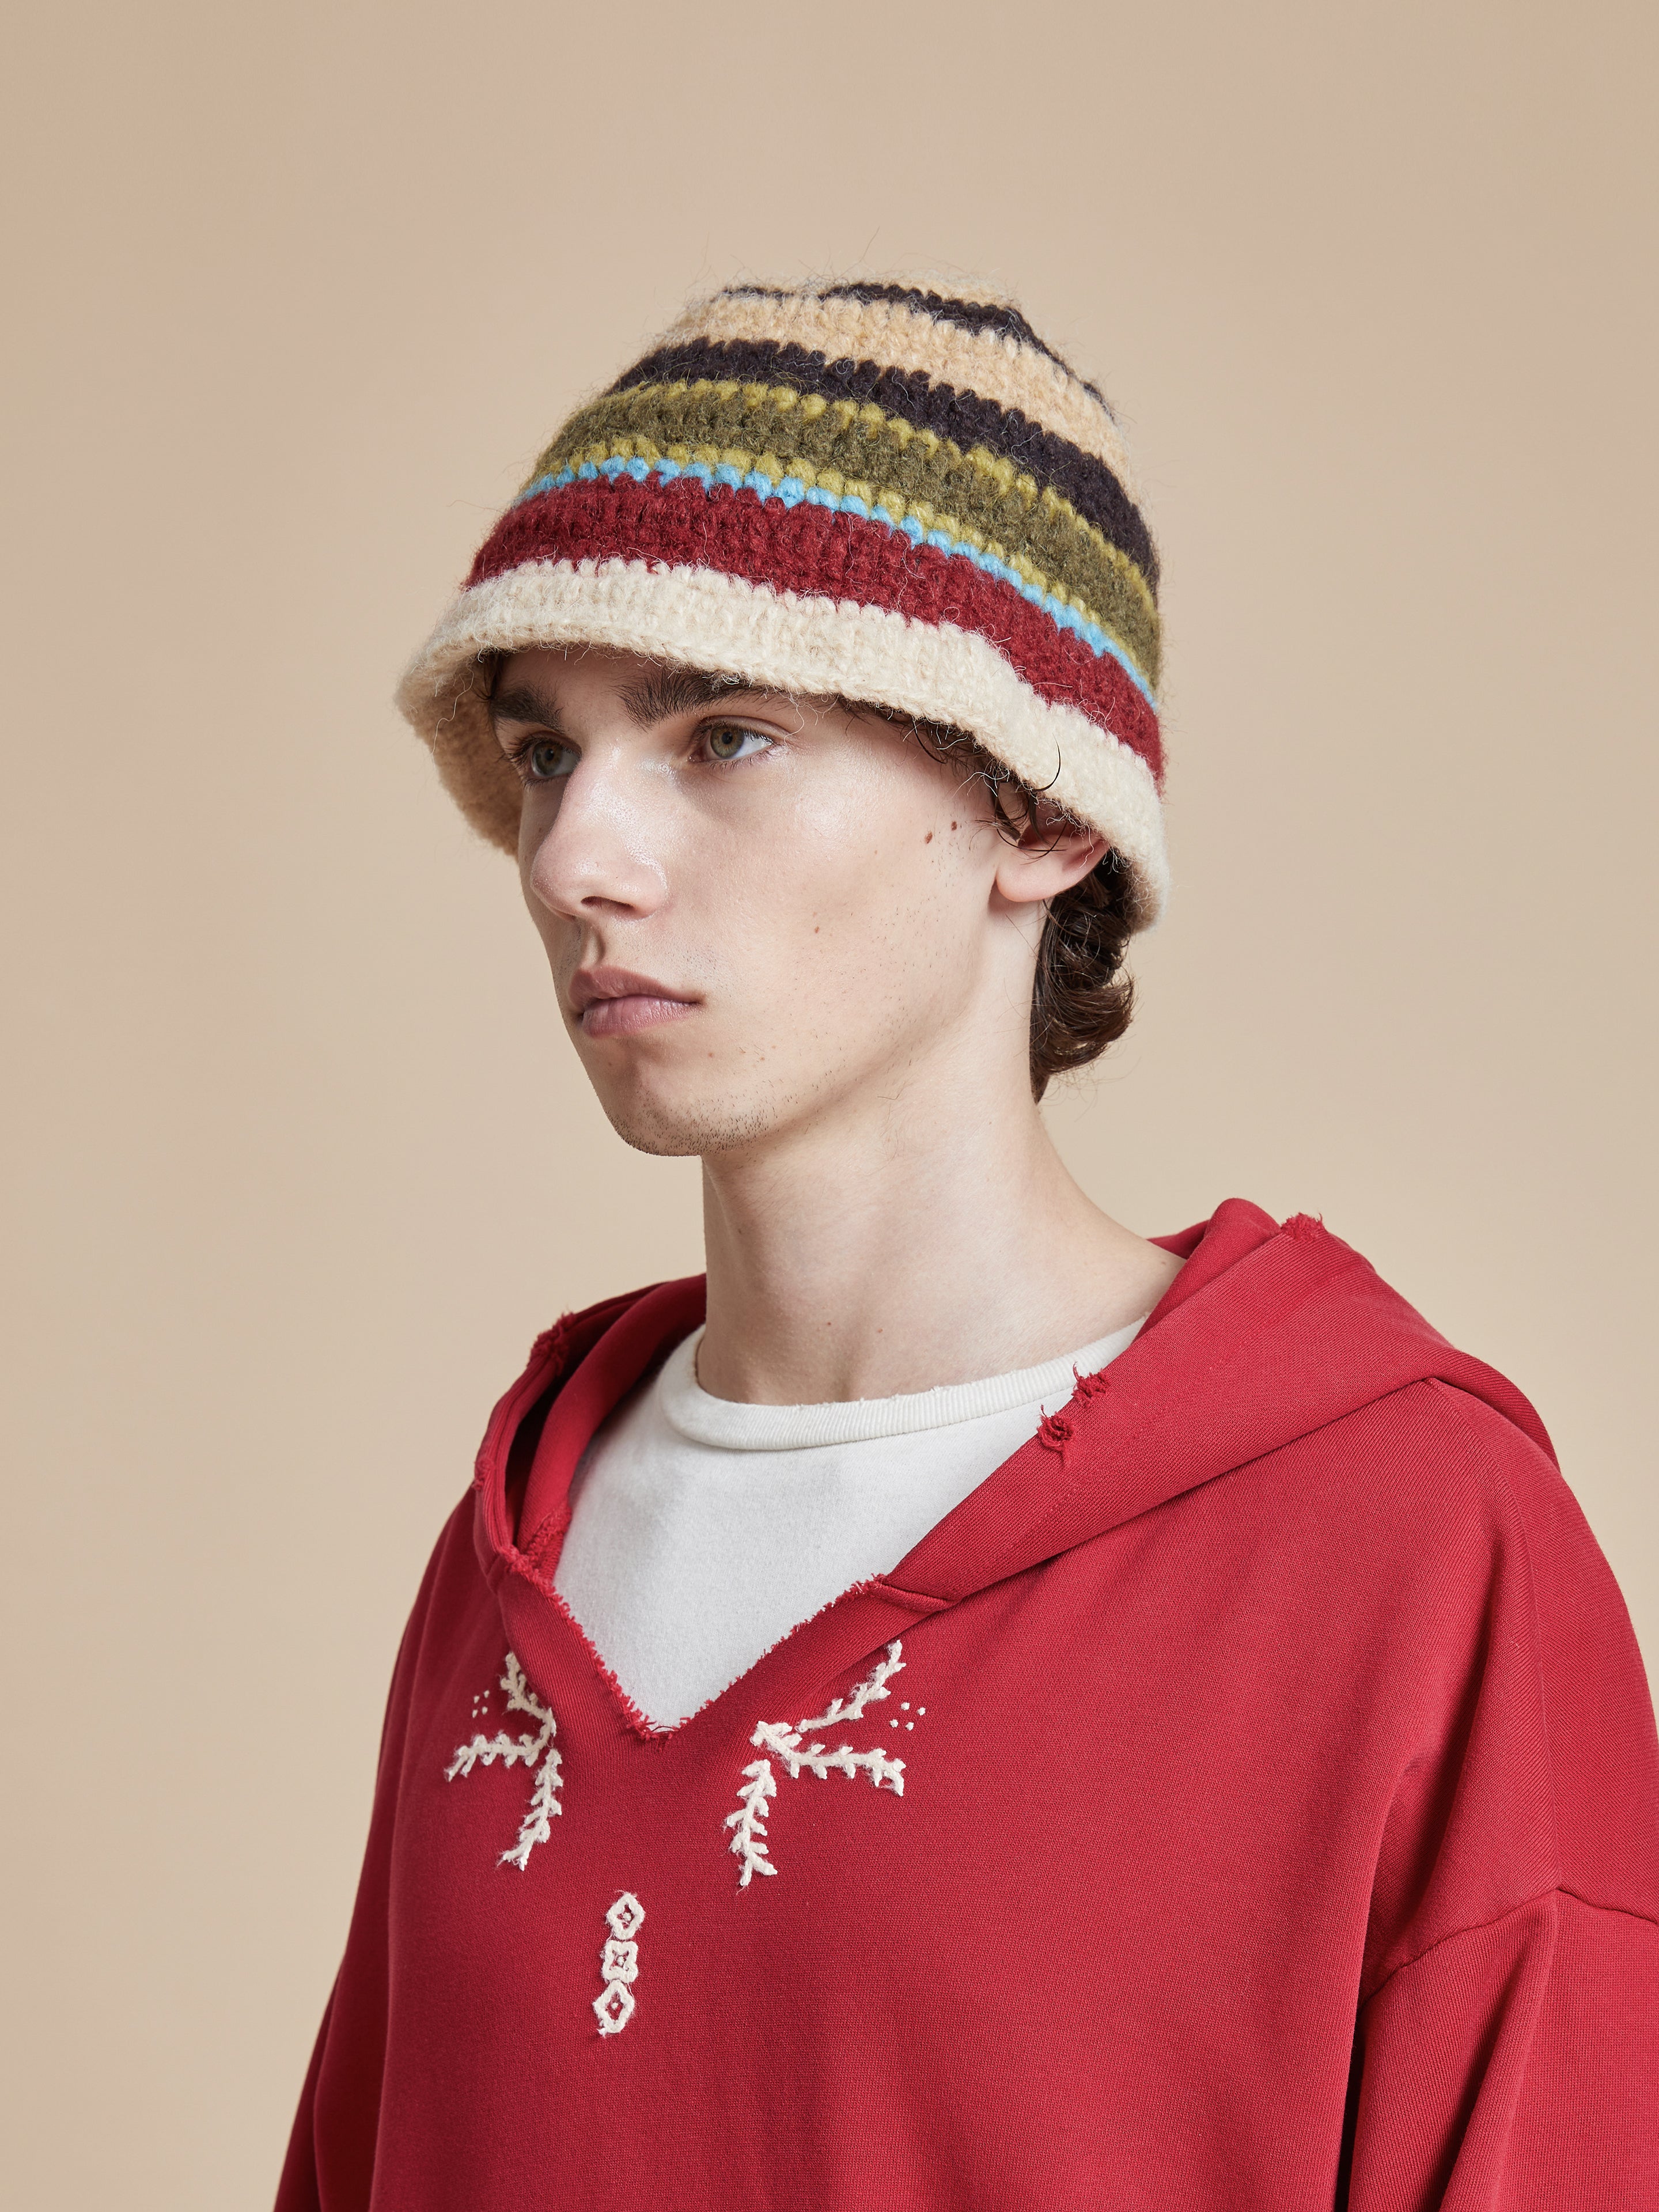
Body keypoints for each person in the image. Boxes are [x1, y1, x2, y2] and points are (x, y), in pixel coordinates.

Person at [276, 280, 1659, 2209]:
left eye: (724, 736)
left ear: (1042, 814)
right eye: (544, 756)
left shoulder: (1410, 1549)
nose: (578, 858)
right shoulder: (521, 1550)